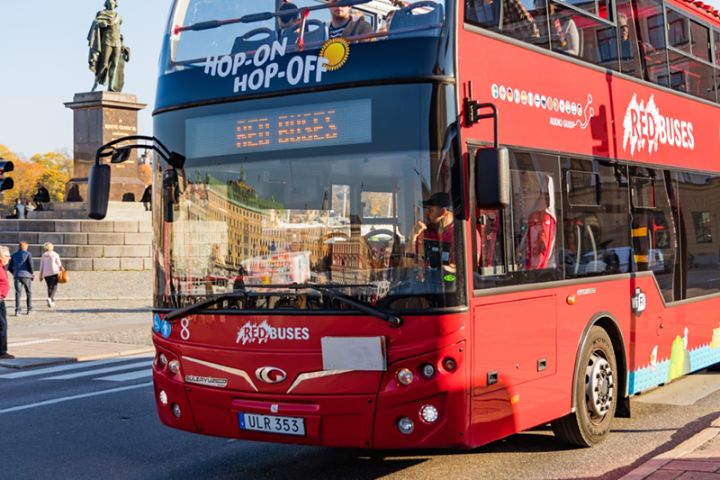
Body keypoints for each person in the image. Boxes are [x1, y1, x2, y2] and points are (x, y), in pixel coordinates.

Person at [88, 0, 131, 92]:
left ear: (115, 5)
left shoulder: (119, 17)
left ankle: (111, 86)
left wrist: (123, 44)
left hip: (117, 42)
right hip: (107, 41)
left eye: (112, 3)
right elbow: (95, 23)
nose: (111, 5)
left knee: (114, 64)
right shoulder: (101, 13)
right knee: (104, 64)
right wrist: (100, 24)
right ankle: (95, 85)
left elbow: (118, 31)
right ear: (106, 4)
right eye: (109, 3)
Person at [411, 192, 456, 272]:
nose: (426, 213)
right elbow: (409, 263)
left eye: (430, 210)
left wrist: (441, 269)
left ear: (442, 212)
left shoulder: (462, 235)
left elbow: (466, 270)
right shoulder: (426, 233)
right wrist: (413, 236)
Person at [8, 241, 33, 315]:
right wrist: (32, 273)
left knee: (18, 293)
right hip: (26, 276)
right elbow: (31, 265)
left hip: (17, 276)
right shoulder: (28, 254)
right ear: (26, 247)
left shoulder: (14, 255)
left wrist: (14, 273)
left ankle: (17, 310)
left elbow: (9, 267)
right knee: (28, 292)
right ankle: (29, 309)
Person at [39, 242, 63, 308]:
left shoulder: (43, 255)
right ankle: (50, 298)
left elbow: (41, 266)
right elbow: (59, 264)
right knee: (54, 286)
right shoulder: (55, 254)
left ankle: (51, 301)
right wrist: (62, 269)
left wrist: (40, 275)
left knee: (49, 287)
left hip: (46, 273)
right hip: (54, 272)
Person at [0, 246, 12, 359]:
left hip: (1, 300)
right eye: (7, 256)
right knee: (2, 325)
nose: (10, 258)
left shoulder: (2, 267)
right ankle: (2, 352)